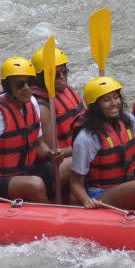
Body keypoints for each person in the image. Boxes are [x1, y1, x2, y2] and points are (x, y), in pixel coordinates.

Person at [0, 56, 64, 204]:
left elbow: (38, 144)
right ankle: (50, 217)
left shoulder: (33, 103)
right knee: (35, 184)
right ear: (7, 87)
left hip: (25, 170)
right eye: (20, 84)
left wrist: (51, 154)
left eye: (30, 82)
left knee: (68, 167)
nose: (27, 88)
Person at [70, 76, 135, 211]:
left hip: (131, 182)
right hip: (103, 194)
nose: (114, 103)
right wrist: (86, 201)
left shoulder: (129, 120)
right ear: (95, 106)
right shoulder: (86, 138)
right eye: (106, 100)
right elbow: (76, 183)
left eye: (116, 97)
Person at [30, 46, 85, 196]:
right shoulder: (41, 107)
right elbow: (53, 154)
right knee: (90, 157)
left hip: (71, 154)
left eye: (64, 72)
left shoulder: (67, 90)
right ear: (41, 78)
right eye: (55, 74)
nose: (62, 77)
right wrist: (89, 146)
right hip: (49, 168)